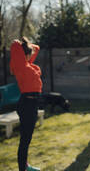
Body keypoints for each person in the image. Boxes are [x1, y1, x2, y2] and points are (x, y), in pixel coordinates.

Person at [10, 37, 42, 171]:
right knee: (25, 140)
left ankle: (25, 165)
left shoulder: (28, 64)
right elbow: (15, 46)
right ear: (24, 55)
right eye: (29, 53)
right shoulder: (21, 66)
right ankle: (22, 168)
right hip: (27, 104)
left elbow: (37, 48)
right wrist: (20, 44)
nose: (32, 55)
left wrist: (26, 45)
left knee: (27, 139)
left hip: (32, 104)